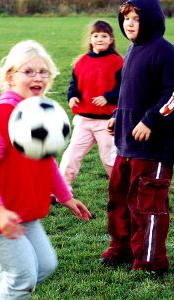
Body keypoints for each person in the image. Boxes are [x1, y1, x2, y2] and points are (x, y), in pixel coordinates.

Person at [0, 40, 91, 300]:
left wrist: (65, 196)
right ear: (10, 77)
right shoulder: (3, 113)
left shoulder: (40, 111)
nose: (38, 77)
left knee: (44, 266)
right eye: (28, 71)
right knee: (23, 276)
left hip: (22, 207)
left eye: (44, 72)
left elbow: (46, 161)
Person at [100, 0, 174, 274]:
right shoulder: (132, 50)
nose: (129, 24)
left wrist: (151, 119)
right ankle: (122, 247)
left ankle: (150, 261)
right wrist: (118, 115)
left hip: (154, 148)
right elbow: (132, 93)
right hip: (127, 145)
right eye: (125, 18)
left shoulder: (164, 52)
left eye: (136, 19)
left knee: (146, 205)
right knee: (119, 201)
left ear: (150, 21)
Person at [59, 20, 123, 193]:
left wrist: (108, 97)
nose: (99, 39)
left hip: (107, 123)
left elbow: (125, 88)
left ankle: (122, 189)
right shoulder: (81, 62)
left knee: (109, 158)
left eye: (104, 36)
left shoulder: (118, 62)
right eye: (96, 36)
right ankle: (61, 190)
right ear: (90, 39)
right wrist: (72, 96)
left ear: (111, 39)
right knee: (72, 155)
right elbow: (74, 84)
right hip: (84, 120)